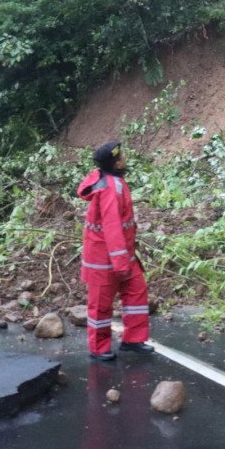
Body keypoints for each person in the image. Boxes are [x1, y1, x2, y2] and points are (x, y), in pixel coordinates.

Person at [77, 141, 154, 361]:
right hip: (104, 258)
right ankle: (99, 348)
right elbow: (112, 227)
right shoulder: (111, 188)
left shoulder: (109, 180)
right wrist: (121, 263)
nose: (125, 158)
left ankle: (133, 339)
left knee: (137, 291)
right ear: (116, 163)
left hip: (121, 254)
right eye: (122, 156)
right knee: (101, 304)